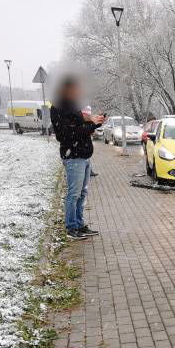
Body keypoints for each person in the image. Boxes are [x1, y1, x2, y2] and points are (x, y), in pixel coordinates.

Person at [50, 76, 105, 240]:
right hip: (73, 156)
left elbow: (81, 127)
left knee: (82, 193)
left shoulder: (73, 106)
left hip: (84, 155)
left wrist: (94, 122)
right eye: (76, 89)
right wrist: (92, 125)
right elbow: (67, 134)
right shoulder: (59, 108)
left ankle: (80, 225)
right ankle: (71, 227)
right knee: (74, 194)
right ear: (68, 90)